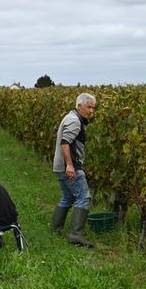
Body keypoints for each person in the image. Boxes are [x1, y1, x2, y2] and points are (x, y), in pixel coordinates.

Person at [52, 92, 97, 247]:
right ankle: (75, 235)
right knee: (84, 197)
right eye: (89, 107)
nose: (91, 111)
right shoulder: (74, 121)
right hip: (70, 168)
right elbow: (65, 143)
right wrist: (70, 165)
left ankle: (56, 229)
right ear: (79, 105)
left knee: (68, 197)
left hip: (59, 166)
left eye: (93, 108)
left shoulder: (71, 117)